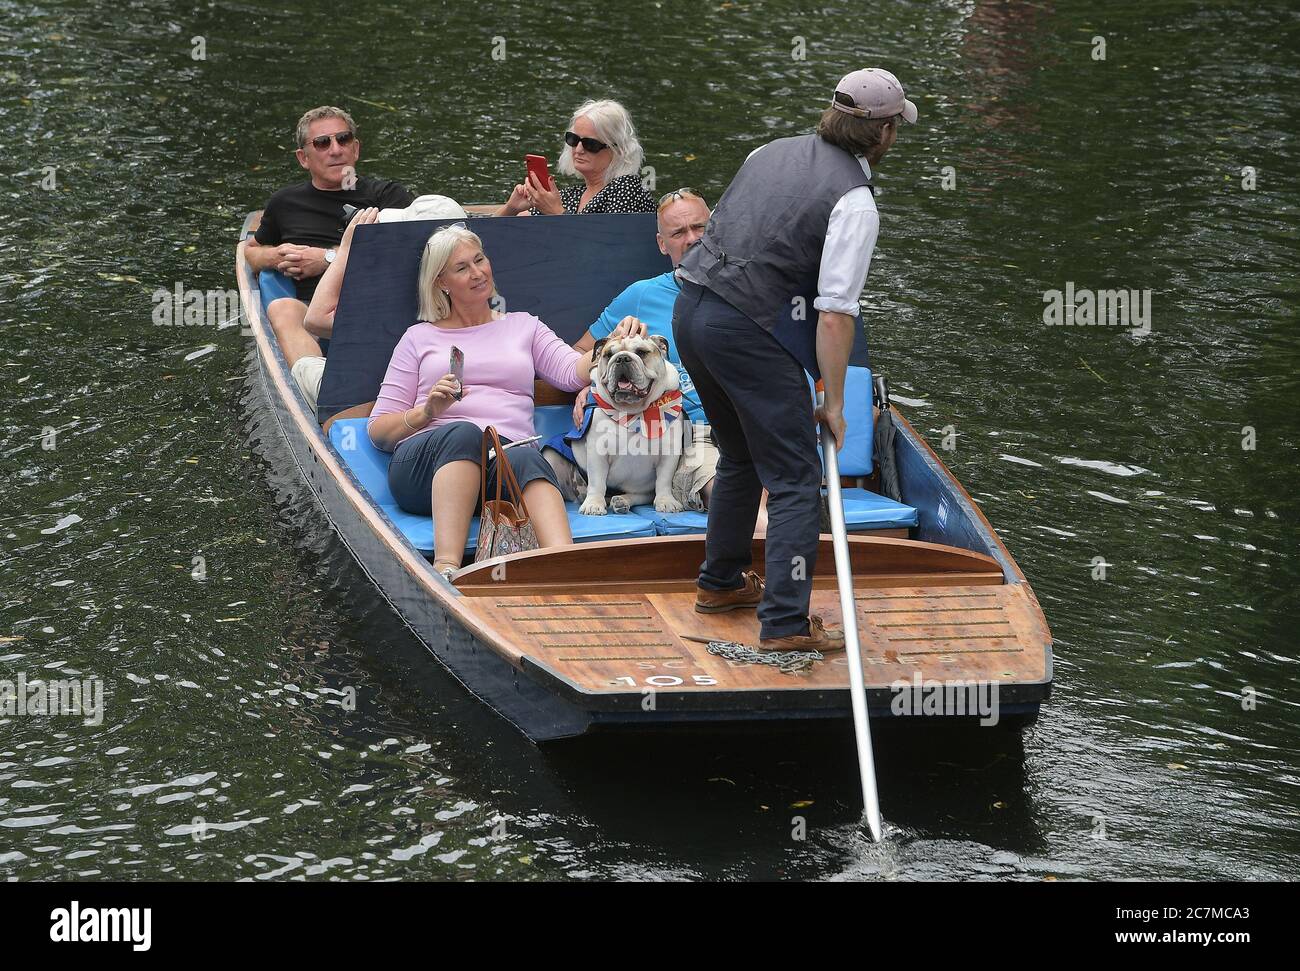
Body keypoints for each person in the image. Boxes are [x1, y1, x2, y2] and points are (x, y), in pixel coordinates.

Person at [673, 68, 917, 652]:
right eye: (893, 129)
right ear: (881, 132)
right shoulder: (855, 201)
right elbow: (835, 314)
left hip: (691, 313)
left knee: (739, 455)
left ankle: (721, 583)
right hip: (744, 331)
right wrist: (834, 404)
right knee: (796, 479)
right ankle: (784, 623)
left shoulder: (768, 151)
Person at [366, 224, 640, 580]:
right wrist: (426, 412)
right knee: (464, 433)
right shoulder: (418, 338)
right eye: (462, 267)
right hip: (425, 468)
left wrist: (610, 344)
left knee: (526, 453)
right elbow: (378, 431)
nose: (478, 272)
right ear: (441, 283)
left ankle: (568, 567)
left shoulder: (523, 325)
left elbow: (571, 372)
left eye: (479, 260)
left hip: (500, 464)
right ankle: (447, 569)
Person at [550, 188, 767, 528]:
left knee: (774, 488)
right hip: (689, 432)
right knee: (740, 497)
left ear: (716, 232)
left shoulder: (753, 292)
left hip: (752, 426)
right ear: (662, 244)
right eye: (678, 233)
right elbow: (580, 352)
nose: (692, 239)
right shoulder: (641, 295)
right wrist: (592, 382)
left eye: (700, 228)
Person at [245, 106, 414, 411]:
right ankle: (321, 392)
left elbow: (412, 251)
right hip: (315, 313)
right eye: (322, 143)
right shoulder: (285, 203)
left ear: (356, 148)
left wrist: (326, 259)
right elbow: (251, 251)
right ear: (303, 158)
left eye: (343, 139)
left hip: (379, 301)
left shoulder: (387, 197)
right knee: (283, 309)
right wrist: (274, 255)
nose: (335, 150)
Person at [498, 99, 655, 216]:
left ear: (618, 150)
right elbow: (486, 239)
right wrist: (511, 208)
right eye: (573, 140)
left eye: (590, 144)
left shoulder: (628, 189)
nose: (578, 149)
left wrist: (556, 212)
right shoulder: (570, 196)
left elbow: (608, 249)